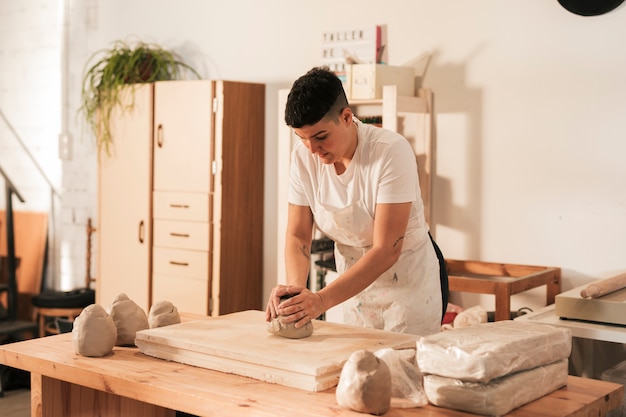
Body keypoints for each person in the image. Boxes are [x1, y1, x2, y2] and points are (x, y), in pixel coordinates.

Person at [265, 66, 448, 336]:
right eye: (302, 139)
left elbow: (387, 249)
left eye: (320, 137)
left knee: (403, 371)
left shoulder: (390, 152)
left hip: (408, 284)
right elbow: (298, 235)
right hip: (354, 285)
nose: (312, 150)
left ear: (347, 117)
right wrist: (296, 294)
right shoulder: (303, 156)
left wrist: (321, 301)